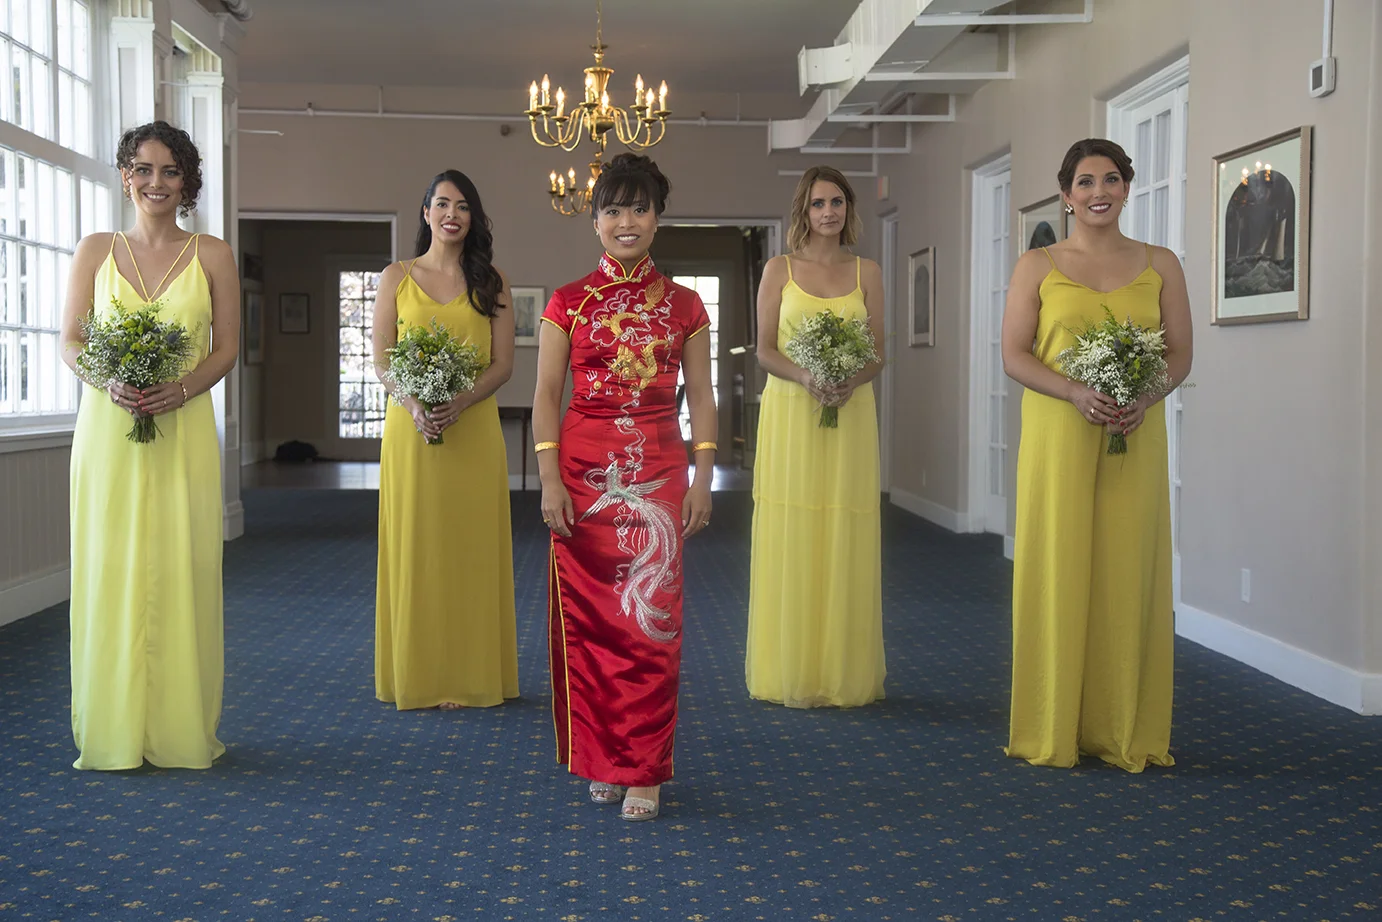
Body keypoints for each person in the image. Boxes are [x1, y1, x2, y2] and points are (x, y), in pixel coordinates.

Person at [533, 153, 716, 821]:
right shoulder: (568, 302)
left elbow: (702, 397)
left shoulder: (685, 305)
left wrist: (703, 478)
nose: (626, 221)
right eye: (612, 210)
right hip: (584, 482)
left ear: (658, 217)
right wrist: (549, 480)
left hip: (659, 476)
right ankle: (603, 759)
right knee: (591, 628)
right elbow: (547, 394)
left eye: (639, 208)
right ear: (595, 222)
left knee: (648, 627)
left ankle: (644, 770)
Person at [1001, 138, 1193, 771]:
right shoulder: (1037, 264)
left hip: (1134, 434)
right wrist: (1074, 391)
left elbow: (1180, 354)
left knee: (1126, 571)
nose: (1098, 192)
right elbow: (1014, 355)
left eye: (1111, 179)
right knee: (1059, 567)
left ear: (1126, 189)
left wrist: (1147, 396)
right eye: (1085, 182)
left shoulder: (1162, 264)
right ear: (1066, 195)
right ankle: (1053, 723)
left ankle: (1121, 726)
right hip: (1059, 433)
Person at [60, 120, 240, 770]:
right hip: (108, 432)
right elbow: (70, 341)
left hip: (182, 429)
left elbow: (227, 348)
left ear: (188, 182)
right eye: (143, 169)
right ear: (125, 176)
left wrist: (184, 388)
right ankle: (113, 726)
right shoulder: (95, 250)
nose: (155, 182)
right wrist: (103, 377)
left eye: (170, 171)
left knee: (181, 565)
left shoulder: (213, 254)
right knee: (111, 570)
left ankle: (176, 727)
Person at [372, 170, 518, 710]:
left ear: (473, 218)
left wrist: (461, 401)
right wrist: (413, 402)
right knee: (418, 547)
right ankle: (420, 673)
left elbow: (502, 365)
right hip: (410, 430)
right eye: (441, 204)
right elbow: (382, 361)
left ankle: (467, 674)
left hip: (473, 429)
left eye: (462, 206)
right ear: (426, 213)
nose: (451, 214)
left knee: (469, 547)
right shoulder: (396, 277)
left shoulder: (492, 281)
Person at [745, 165, 886, 708]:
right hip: (791, 411)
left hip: (852, 413)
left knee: (844, 527)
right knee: (795, 528)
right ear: (803, 211)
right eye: (818, 203)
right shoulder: (778, 269)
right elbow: (764, 349)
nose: (829, 212)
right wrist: (806, 376)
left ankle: (841, 670)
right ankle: (791, 668)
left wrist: (851, 377)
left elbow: (878, 353)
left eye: (837, 202)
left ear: (849, 209)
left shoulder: (867, 271)